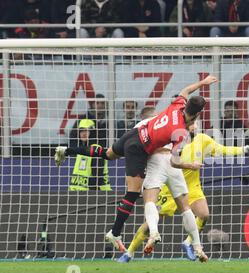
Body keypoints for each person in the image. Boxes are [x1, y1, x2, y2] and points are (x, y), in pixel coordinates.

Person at [54, 75, 218, 252]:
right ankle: (114, 233)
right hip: (138, 149)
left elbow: (186, 90)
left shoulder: (177, 105)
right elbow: (174, 160)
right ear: (197, 114)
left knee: (107, 154)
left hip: (134, 134)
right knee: (132, 193)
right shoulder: (178, 132)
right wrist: (190, 165)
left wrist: (202, 83)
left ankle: (66, 150)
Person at [118, 122, 249, 262]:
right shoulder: (171, 142)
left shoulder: (202, 140)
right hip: (169, 188)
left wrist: (246, 149)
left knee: (204, 214)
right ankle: (129, 252)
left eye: (196, 123)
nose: (195, 126)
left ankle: (188, 242)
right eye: (191, 123)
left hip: (192, 187)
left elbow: (222, 149)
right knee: (151, 223)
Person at [69, 119, 112, 191]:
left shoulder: (95, 149)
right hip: (79, 195)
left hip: (96, 195)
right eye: (82, 131)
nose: (83, 133)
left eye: (87, 130)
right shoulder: (82, 149)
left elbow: (97, 177)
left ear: (92, 132)